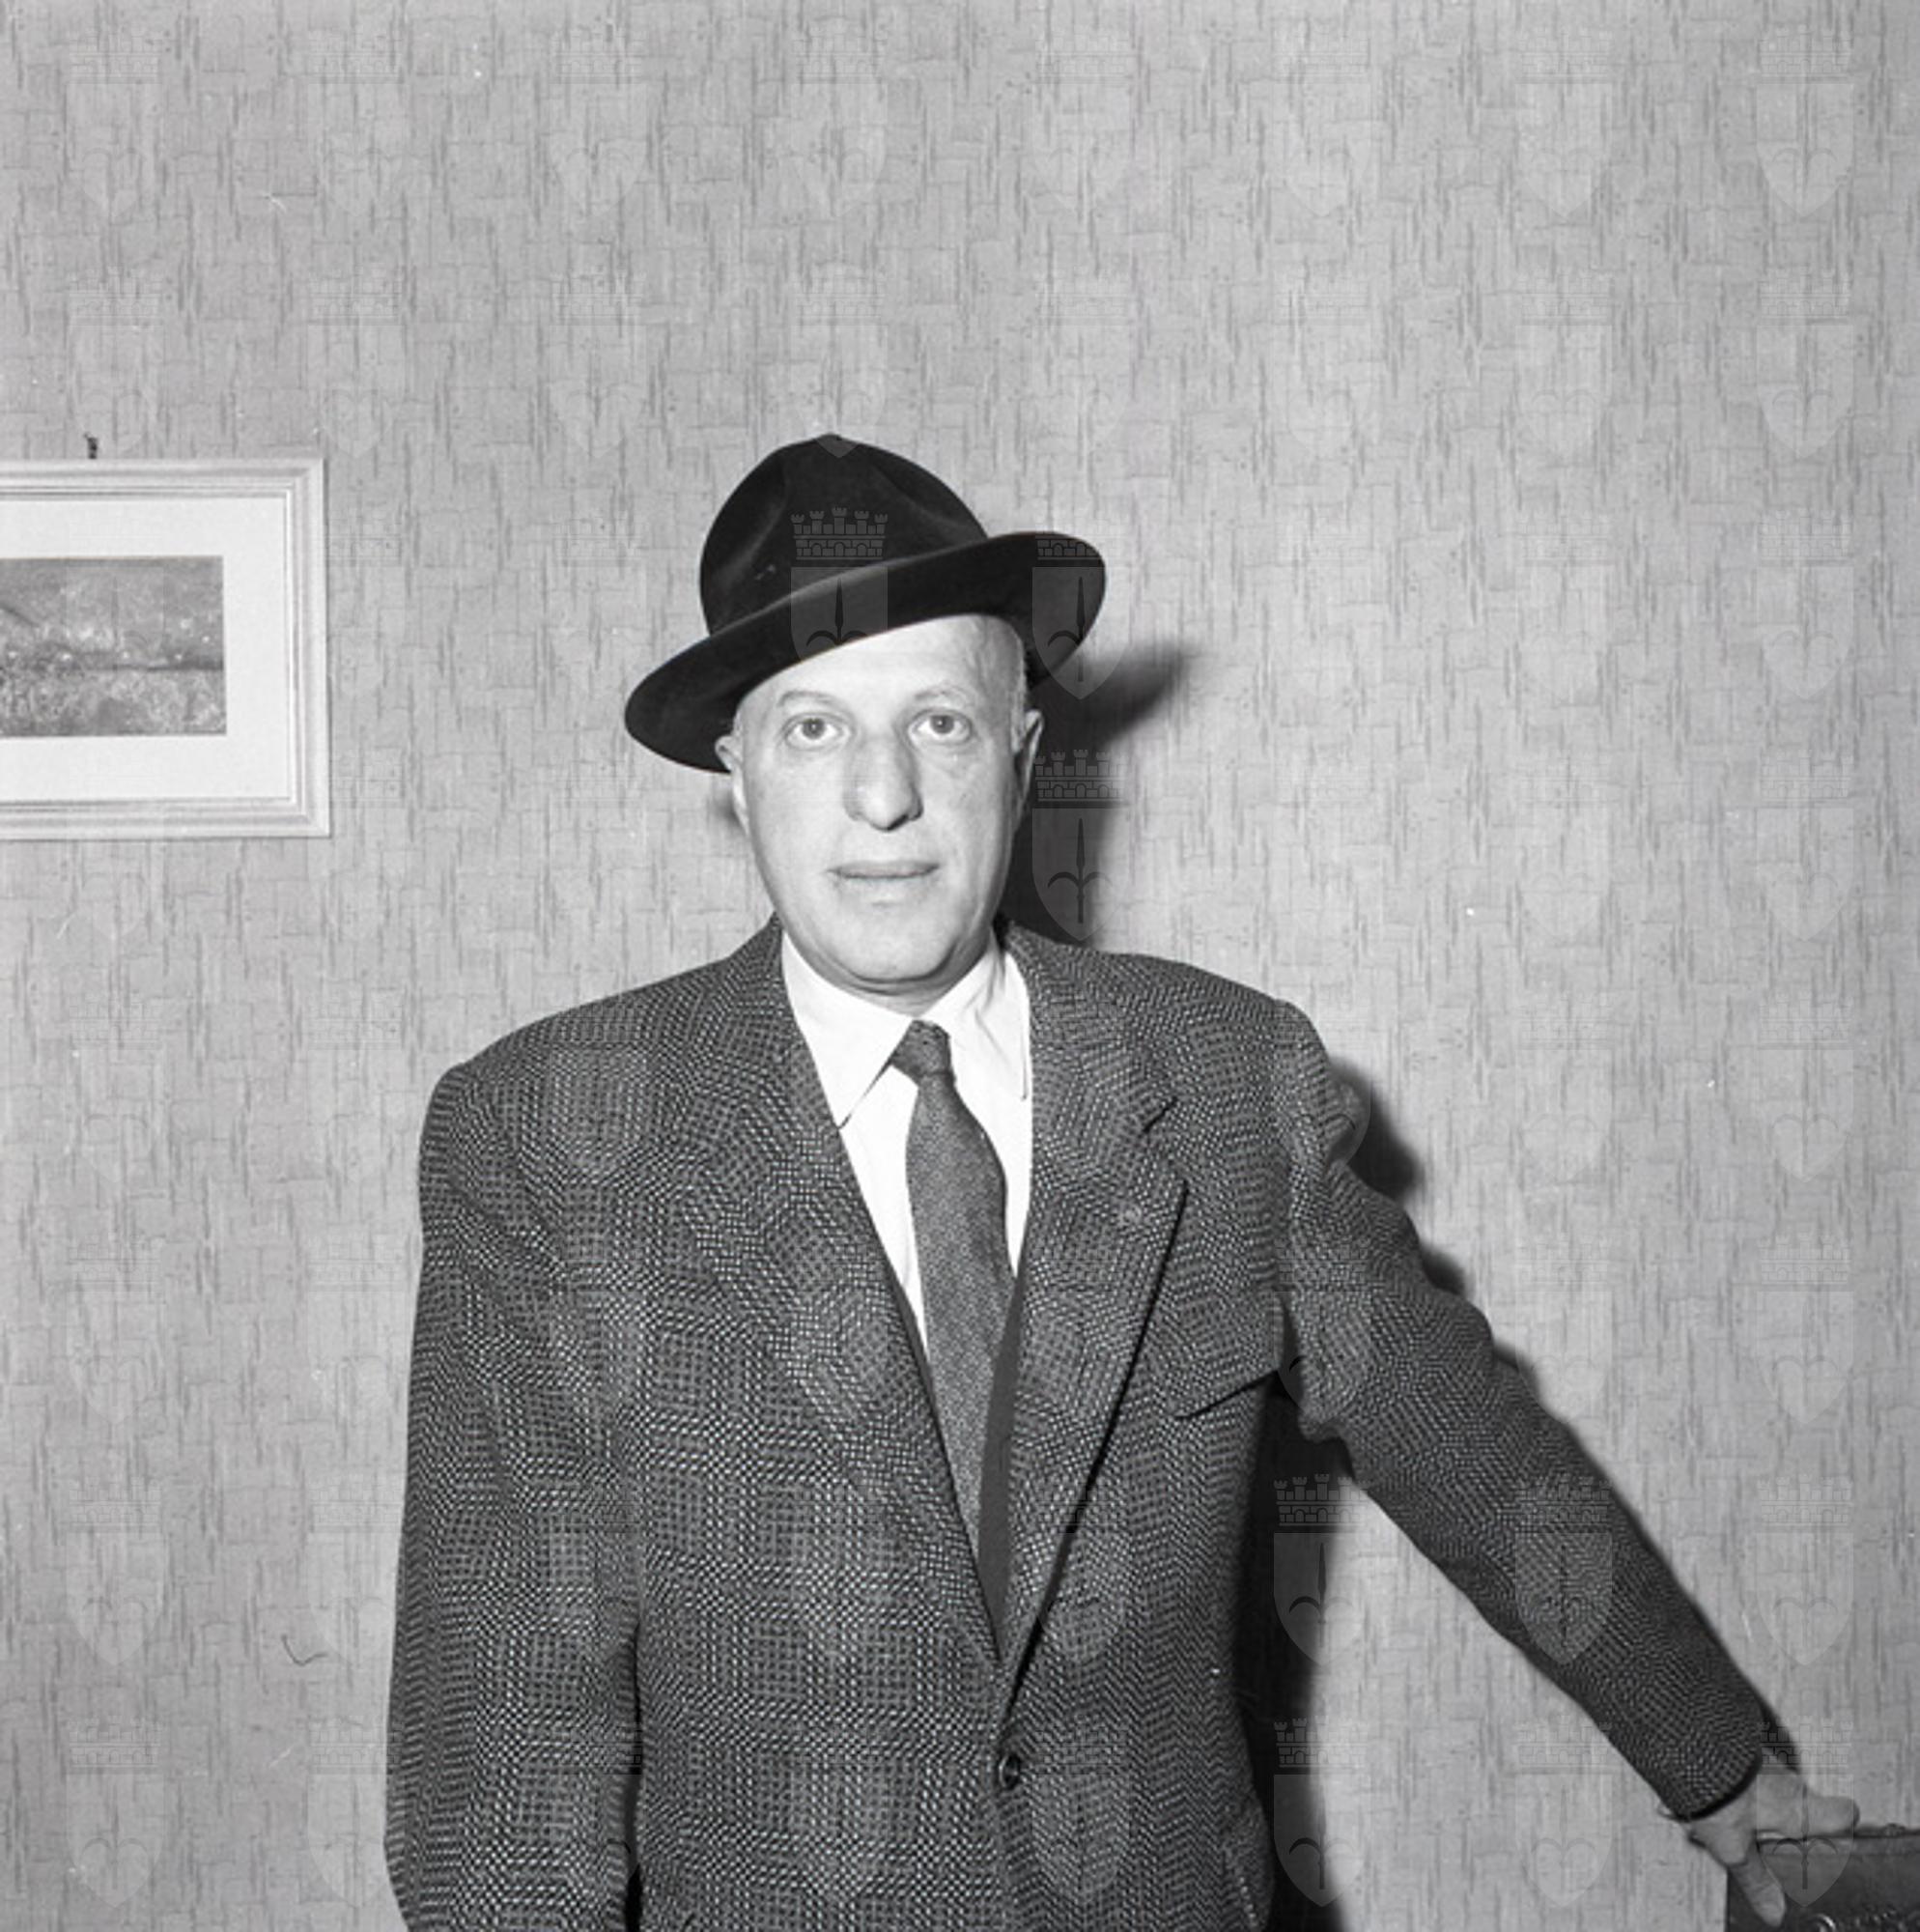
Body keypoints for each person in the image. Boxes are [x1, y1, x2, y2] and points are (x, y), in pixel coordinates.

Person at [384, 435, 1854, 1931]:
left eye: (941, 722)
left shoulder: (1229, 1082)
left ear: (1021, 756)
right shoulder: (548, 1138)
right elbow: (505, 1731)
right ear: (736, 772)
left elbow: (1468, 1448)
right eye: (814, 728)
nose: (884, 796)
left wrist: (1723, 1775)